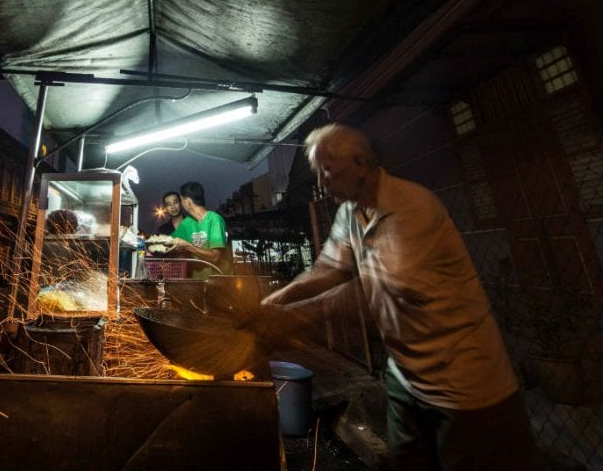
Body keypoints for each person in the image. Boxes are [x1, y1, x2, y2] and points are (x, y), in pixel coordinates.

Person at [258, 124, 541, 471]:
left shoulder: (412, 208)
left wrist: (288, 320)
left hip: (464, 383)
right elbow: (328, 270)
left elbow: (368, 291)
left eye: (327, 171)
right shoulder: (351, 211)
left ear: (360, 163)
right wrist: (271, 304)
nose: (321, 183)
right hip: (407, 376)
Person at [169, 181, 230, 279]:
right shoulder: (186, 223)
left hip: (220, 281)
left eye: (181, 200)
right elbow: (168, 241)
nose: (181, 204)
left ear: (188, 202)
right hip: (198, 281)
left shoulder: (214, 219)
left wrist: (187, 246)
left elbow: (215, 256)